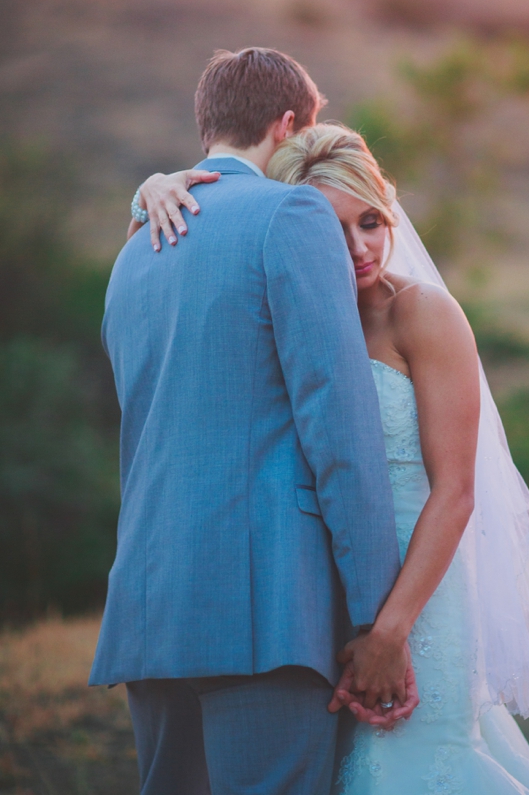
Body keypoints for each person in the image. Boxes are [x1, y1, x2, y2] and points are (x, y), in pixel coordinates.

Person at [137, 113, 529, 793]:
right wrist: (150, 190)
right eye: (332, 229)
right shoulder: (279, 312)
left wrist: (390, 632)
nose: (359, 246)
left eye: (370, 220)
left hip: (418, 599)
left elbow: (455, 492)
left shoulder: (423, 314)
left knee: (415, 766)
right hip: (315, 599)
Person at [91, 48, 416, 795]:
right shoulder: (292, 212)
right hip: (266, 606)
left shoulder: (135, 247)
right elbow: (340, 429)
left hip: (149, 605)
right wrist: (375, 622)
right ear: (290, 124)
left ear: (207, 127)